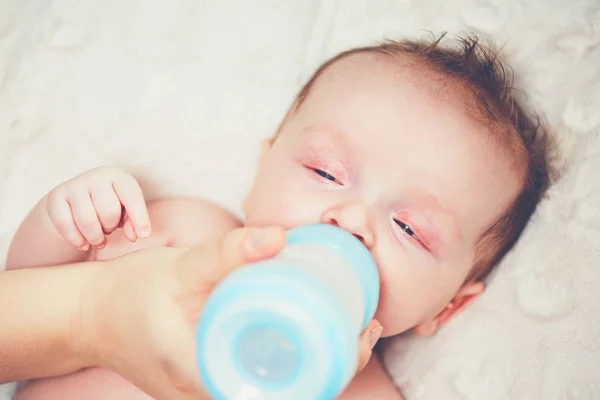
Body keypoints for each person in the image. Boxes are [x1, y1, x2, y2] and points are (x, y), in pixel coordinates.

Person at [5, 34, 551, 399]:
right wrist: (66, 222)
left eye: (408, 228)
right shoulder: (186, 235)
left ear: (448, 307)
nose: (351, 219)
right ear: (262, 164)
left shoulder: (366, 390)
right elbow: (24, 298)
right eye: (325, 172)